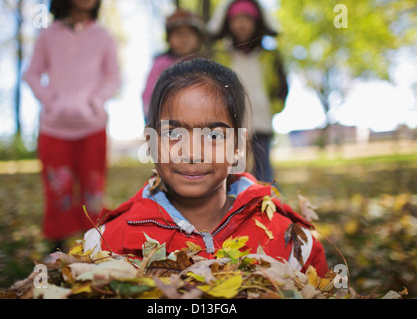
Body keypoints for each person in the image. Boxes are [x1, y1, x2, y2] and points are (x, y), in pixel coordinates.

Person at [84, 58, 328, 277]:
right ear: (151, 143)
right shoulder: (103, 245)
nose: (191, 153)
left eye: (213, 135)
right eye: (173, 133)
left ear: (238, 147)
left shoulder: (293, 246)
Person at [23, 0, 120, 251]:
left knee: (93, 187)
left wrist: (95, 101)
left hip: (92, 126)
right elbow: (31, 73)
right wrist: (51, 101)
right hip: (54, 127)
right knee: (58, 188)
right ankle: (57, 244)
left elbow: (113, 77)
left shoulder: (103, 36)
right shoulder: (48, 35)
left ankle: (92, 242)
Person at [207, 0, 289, 184]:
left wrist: (272, 108)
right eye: (236, 19)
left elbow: (281, 87)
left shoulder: (270, 56)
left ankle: (268, 207)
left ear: (257, 22)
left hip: (262, 123)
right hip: (230, 124)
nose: (241, 24)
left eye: (247, 19)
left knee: (263, 173)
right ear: (228, 24)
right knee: (233, 173)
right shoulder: (221, 56)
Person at [141, 8, 205, 122]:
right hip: (166, 122)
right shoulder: (160, 64)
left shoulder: (203, 65)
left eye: (189, 33)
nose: (184, 38)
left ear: (198, 38)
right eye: (178, 33)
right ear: (168, 38)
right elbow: (148, 94)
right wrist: (152, 119)